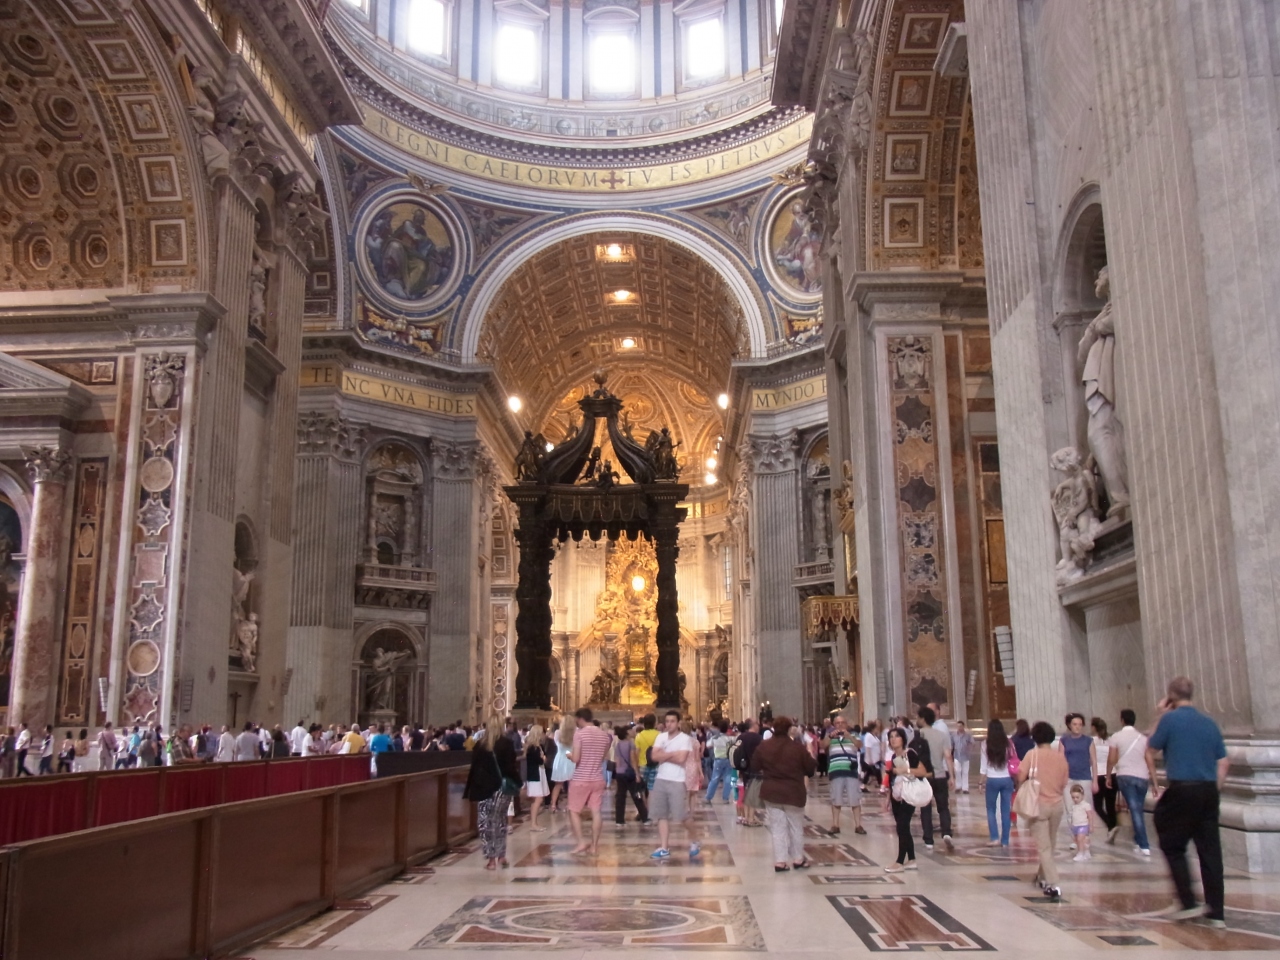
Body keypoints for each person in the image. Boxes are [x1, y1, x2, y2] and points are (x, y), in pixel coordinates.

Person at [1143, 676, 1228, 928]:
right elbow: (1224, 762)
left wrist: (1160, 714)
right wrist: (1212, 791)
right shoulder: (1209, 722)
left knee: (1171, 842)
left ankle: (1188, 901)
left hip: (1183, 788)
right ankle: (1216, 913)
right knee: (1210, 851)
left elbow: (1150, 747)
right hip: (1208, 790)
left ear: (1171, 696)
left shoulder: (1170, 719)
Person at [748, 715, 815, 872]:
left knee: (777, 828)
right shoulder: (797, 748)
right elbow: (810, 768)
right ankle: (798, 859)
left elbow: (754, 766)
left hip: (772, 792)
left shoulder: (764, 746)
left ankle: (780, 861)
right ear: (789, 729)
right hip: (793, 792)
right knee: (795, 827)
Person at [1017, 721, 1070, 900]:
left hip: (1037, 805)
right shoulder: (1060, 757)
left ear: (1035, 737)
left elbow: (1021, 775)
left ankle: (1053, 884)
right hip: (1057, 805)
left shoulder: (1032, 755)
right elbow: (1064, 782)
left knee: (1044, 846)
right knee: (1050, 843)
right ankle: (1042, 876)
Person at [463, 715, 521, 870]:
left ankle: (491, 859)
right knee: (500, 821)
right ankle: (501, 855)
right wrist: (519, 783)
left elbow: (475, 768)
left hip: (484, 788)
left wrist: (471, 789)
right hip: (502, 789)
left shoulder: (480, 745)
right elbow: (511, 768)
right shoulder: (507, 743)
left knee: (485, 823)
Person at [648, 710, 701, 860]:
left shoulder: (685, 739)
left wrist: (664, 755)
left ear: (678, 723)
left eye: (672, 721)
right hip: (661, 778)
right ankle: (664, 847)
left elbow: (681, 759)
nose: (669, 724)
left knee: (681, 815)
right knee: (661, 814)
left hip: (677, 780)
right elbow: (654, 756)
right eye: (667, 721)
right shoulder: (660, 737)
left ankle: (695, 839)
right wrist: (672, 754)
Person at [1107, 708, 1156, 855]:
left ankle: (1144, 844)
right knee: (1138, 808)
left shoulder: (1116, 737)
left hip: (1125, 775)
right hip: (1142, 777)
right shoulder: (1142, 738)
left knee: (1134, 809)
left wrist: (1108, 775)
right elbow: (1150, 761)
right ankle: (1138, 840)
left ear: (1122, 720)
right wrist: (1155, 783)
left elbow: (1112, 759)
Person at [566, 708, 613, 856]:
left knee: (574, 811)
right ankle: (594, 846)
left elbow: (576, 759)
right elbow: (603, 757)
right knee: (596, 812)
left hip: (581, 779)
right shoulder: (604, 736)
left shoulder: (579, 734)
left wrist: (569, 755)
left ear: (580, 718)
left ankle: (581, 842)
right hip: (598, 778)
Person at [884, 727, 929, 873]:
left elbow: (923, 771)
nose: (893, 739)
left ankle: (899, 861)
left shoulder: (910, 753)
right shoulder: (893, 757)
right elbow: (892, 779)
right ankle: (912, 859)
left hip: (908, 794)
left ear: (903, 739)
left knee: (902, 826)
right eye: (891, 737)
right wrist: (888, 798)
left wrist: (905, 770)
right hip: (897, 795)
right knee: (903, 827)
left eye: (896, 736)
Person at [916, 707, 953, 850]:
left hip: (925, 776)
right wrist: (952, 776)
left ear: (923, 719)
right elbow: (948, 756)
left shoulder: (919, 735)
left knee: (926, 808)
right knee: (943, 807)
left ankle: (929, 840)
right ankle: (946, 832)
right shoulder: (941, 735)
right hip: (940, 775)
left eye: (918, 717)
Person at [1059, 713, 1097, 850]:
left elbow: (1094, 761)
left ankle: (1085, 836)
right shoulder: (1064, 740)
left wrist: (1095, 780)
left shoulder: (1088, 740)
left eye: (1080, 725)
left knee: (1085, 807)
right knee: (1071, 809)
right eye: (1075, 724)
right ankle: (1075, 837)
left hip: (1084, 777)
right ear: (1070, 725)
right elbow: (1060, 760)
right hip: (1069, 778)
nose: (1077, 727)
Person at [822, 715, 865, 836]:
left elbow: (859, 745)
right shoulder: (830, 736)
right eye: (837, 723)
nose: (840, 725)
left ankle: (858, 825)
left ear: (846, 724)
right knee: (836, 799)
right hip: (836, 770)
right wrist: (830, 736)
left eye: (842, 722)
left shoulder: (853, 735)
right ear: (834, 725)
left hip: (851, 771)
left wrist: (849, 736)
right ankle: (835, 825)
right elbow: (822, 745)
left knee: (855, 798)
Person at [979, 718, 1016, 848]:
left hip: (992, 779)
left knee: (991, 809)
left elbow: (983, 766)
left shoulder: (985, 744)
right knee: (1006, 810)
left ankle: (994, 837)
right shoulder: (1009, 743)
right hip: (1007, 779)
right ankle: (1005, 840)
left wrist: (981, 782)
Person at [612, 726, 649, 827]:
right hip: (629, 773)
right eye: (631, 730)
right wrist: (637, 774)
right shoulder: (631, 744)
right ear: (627, 733)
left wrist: (617, 772)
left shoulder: (618, 745)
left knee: (620, 797)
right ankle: (645, 818)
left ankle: (619, 820)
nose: (633, 731)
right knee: (637, 795)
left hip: (620, 773)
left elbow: (617, 760)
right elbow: (633, 760)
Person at [1090, 717, 1119, 843]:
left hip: (1098, 775)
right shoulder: (1111, 740)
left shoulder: (1092, 741)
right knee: (1110, 805)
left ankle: (1111, 826)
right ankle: (1111, 829)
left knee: (1097, 806)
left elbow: (1090, 759)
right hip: (1112, 774)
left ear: (1094, 727)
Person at [734, 718, 764, 826]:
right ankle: (751, 818)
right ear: (753, 725)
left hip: (744, 768)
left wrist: (739, 768)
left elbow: (736, 753)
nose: (759, 725)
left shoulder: (740, 737)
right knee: (753, 794)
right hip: (756, 768)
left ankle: (746, 817)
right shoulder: (758, 738)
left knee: (746, 792)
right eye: (757, 724)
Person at [523, 724, 550, 831]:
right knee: (538, 799)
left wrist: (543, 758)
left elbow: (544, 758)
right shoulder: (532, 748)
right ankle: (533, 824)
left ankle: (535, 823)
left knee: (538, 799)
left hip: (540, 773)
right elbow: (539, 760)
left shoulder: (539, 746)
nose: (544, 735)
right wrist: (543, 758)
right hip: (535, 775)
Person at [548, 716, 576, 814]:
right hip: (571, 758)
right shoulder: (576, 733)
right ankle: (569, 805)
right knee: (572, 784)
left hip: (560, 758)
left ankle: (553, 805)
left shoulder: (557, 733)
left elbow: (556, 744)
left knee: (558, 784)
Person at [704, 720, 733, 803]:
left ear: (719, 728)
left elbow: (708, 745)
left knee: (715, 778)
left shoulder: (715, 738)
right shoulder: (730, 738)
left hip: (718, 759)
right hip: (728, 759)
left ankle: (708, 797)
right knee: (728, 779)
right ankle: (725, 798)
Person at [633, 713, 659, 794]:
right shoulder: (659, 735)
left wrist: (636, 769)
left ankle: (645, 802)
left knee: (642, 789)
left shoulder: (639, 736)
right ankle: (651, 801)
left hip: (643, 765)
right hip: (656, 765)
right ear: (654, 723)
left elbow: (636, 754)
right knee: (652, 788)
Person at [1068, 783, 1094, 861]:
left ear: (1082, 796)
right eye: (1073, 797)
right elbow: (1072, 816)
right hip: (1075, 825)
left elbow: (1090, 816)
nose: (1075, 799)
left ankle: (1080, 853)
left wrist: (1091, 826)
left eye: (1077, 797)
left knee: (1080, 839)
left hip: (1083, 825)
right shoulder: (1073, 806)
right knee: (1079, 840)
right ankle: (1086, 852)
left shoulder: (1086, 805)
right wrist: (1071, 824)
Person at [951, 721, 975, 793]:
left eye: (960, 726)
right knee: (957, 771)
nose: (959, 728)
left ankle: (965, 788)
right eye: (958, 726)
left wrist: (969, 749)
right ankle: (958, 786)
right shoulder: (953, 735)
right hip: (956, 755)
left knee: (965, 772)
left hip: (966, 756)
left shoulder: (968, 735)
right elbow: (951, 744)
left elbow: (972, 743)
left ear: (963, 726)